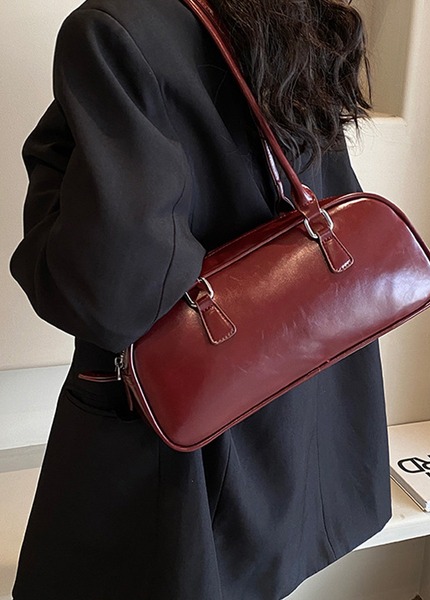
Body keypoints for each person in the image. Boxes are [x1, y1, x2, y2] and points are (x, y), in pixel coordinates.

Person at [9, 0, 392, 598]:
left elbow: (111, 297)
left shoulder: (113, 31)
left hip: (187, 451)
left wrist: (51, 173)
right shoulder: (288, 9)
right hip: (303, 420)